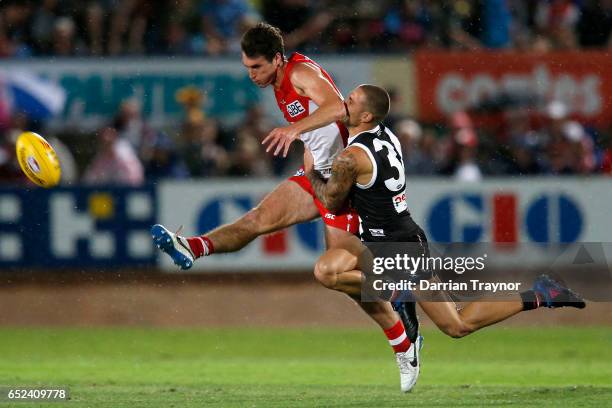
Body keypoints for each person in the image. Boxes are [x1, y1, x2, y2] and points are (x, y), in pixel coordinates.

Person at [151, 23, 421, 392]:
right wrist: (306, 146)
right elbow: (317, 128)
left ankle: (404, 341)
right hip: (314, 174)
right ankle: (193, 247)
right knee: (258, 219)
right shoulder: (277, 82)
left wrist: (295, 132)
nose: (251, 75)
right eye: (247, 67)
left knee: (342, 279)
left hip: (339, 186)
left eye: (257, 67)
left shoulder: (300, 72)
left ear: (277, 59)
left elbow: (338, 108)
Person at [306, 84, 586, 387]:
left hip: (400, 247)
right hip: (378, 241)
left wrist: (311, 173)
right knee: (326, 271)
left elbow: (331, 200)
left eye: (350, 101)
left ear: (367, 114)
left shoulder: (351, 158)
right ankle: (396, 293)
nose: (343, 104)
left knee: (457, 325)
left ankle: (543, 295)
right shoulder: (387, 136)